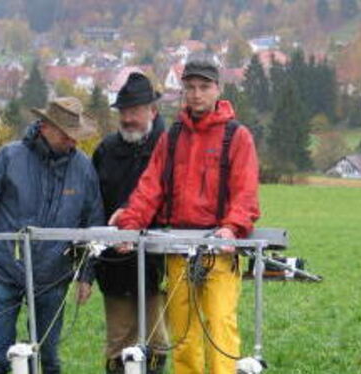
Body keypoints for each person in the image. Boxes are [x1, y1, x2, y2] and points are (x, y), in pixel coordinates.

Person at [109, 57, 260, 374]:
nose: (196, 94)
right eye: (189, 87)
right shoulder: (172, 138)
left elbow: (245, 194)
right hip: (176, 252)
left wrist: (232, 228)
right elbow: (150, 188)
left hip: (219, 253)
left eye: (204, 87)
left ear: (218, 89)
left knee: (220, 328)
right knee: (183, 336)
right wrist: (130, 225)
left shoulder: (237, 137)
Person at [0, 97, 104, 374]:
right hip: (4, 271)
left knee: (47, 357)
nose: (73, 142)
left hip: (54, 276)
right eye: (66, 135)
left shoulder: (84, 168)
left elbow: (93, 222)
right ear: (46, 127)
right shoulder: (9, 157)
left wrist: (86, 274)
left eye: (76, 136)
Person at [91, 72, 169, 374]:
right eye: (123, 112)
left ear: (153, 110)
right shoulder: (106, 150)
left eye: (134, 111)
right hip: (114, 263)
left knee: (156, 340)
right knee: (119, 340)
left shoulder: (170, 147)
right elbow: (94, 203)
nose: (128, 119)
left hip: (156, 261)